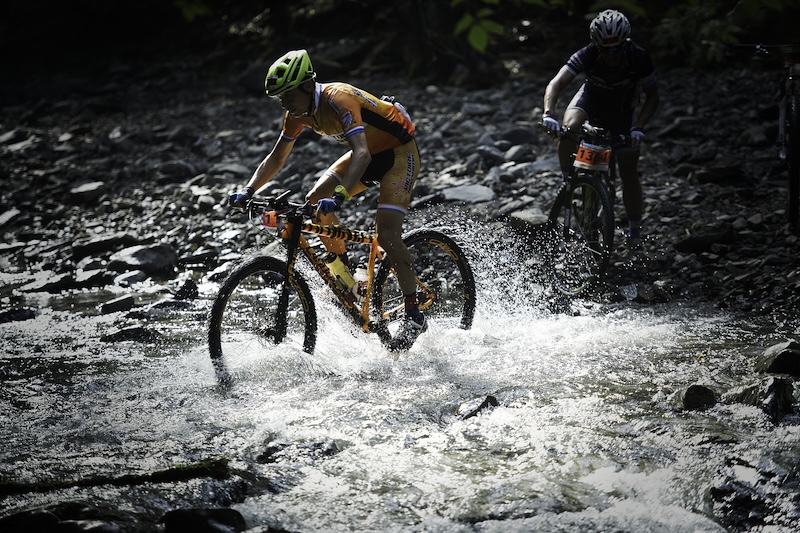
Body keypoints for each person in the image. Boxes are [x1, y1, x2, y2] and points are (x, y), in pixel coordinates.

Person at [227, 49, 426, 351]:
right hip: (368, 154)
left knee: (386, 233)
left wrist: (342, 194)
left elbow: (361, 153)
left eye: (287, 95)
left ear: (308, 86)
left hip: (398, 153)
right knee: (313, 201)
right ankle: (346, 281)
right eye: (279, 98)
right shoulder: (297, 114)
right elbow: (277, 156)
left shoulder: (338, 98)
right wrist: (249, 190)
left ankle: (414, 315)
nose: (284, 103)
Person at [541, 9, 660, 250]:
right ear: (597, 45)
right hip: (591, 101)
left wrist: (639, 128)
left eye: (617, 49)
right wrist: (548, 114)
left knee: (628, 166)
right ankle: (569, 181)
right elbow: (557, 83)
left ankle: (634, 233)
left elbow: (653, 96)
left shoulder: (638, 57)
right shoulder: (588, 54)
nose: (612, 55)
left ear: (625, 42)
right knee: (569, 129)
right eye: (606, 50)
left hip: (622, 111)